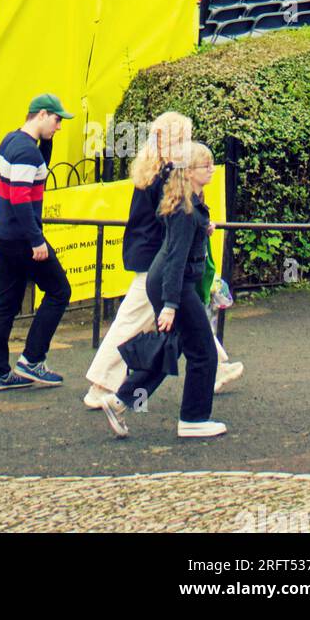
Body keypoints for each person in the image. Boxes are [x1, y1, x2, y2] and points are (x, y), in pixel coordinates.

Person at [84, 115, 242, 409]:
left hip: (150, 255)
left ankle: (218, 367)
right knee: (132, 322)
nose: (189, 145)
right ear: (172, 140)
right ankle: (101, 385)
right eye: (184, 138)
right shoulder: (167, 173)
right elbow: (173, 219)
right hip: (159, 260)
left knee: (183, 316)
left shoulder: (151, 169)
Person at [102, 143, 228, 439]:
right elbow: (175, 258)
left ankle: (120, 400)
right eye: (205, 165)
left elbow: (179, 240)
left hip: (166, 282)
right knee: (203, 352)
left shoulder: (188, 202)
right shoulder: (185, 209)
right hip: (174, 285)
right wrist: (171, 305)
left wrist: (203, 228)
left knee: (173, 345)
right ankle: (193, 420)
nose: (211, 169)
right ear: (189, 172)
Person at [0, 94, 74, 390]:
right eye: (57, 120)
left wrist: (46, 141)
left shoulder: (11, 141)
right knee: (59, 290)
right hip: (23, 238)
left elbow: (39, 172)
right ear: (42, 114)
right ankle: (32, 359)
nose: (59, 127)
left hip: (3, 234)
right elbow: (20, 198)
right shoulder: (27, 152)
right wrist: (37, 240)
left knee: (6, 302)